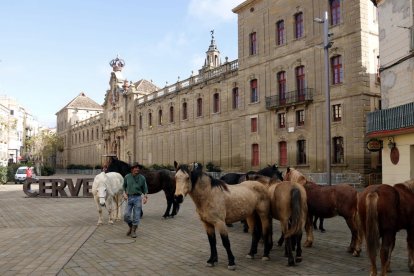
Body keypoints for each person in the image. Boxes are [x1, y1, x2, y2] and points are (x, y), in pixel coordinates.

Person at [123, 162, 148, 238]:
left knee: (136, 215)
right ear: (132, 169)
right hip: (129, 198)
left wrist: (145, 197)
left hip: (138, 198)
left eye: (138, 168)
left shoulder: (142, 178)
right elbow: (124, 186)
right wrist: (124, 193)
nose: (137, 169)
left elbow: (145, 189)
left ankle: (133, 231)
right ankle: (131, 226)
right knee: (126, 215)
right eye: (135, 167)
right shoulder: (127, 177)